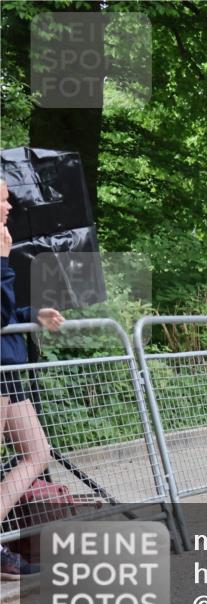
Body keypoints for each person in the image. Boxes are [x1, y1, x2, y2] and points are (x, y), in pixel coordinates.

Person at [1, 178, 66, 578]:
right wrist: (3, 261)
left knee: (37, 451)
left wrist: (33, 315)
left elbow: (6, 313)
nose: (8, 206)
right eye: (1, 200)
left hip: (10, 368)